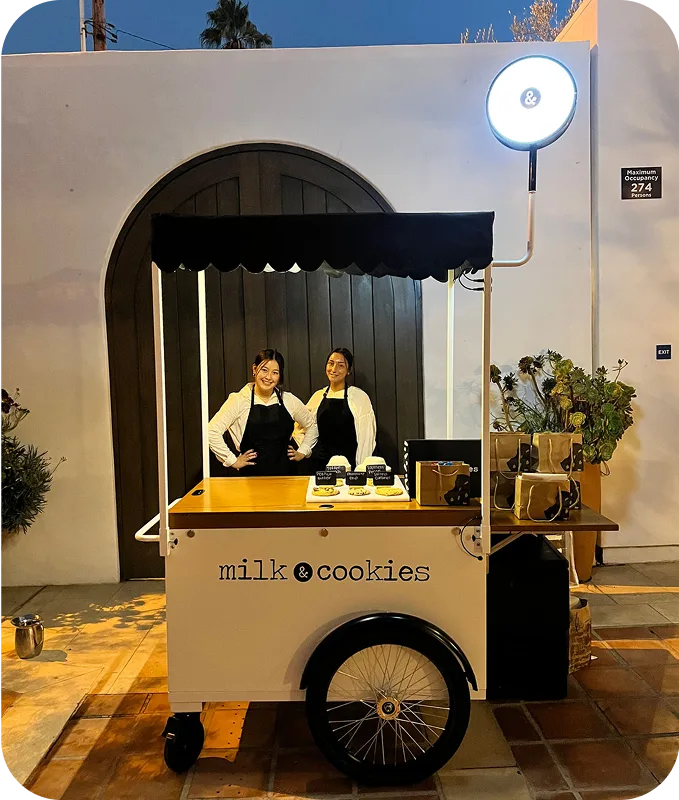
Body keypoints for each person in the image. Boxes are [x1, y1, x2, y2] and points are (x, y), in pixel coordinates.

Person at [208, 349, 318, 476]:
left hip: (287, 477)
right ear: (255, 369)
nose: (268, 377)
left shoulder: (288, 400)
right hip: (251, 478)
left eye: (275, 373)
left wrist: (303, 451)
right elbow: (212, 431)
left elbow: (312, 425)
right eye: (264, 370)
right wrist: (232, 460)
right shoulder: (239, 400)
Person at [296, 348, 376, 472]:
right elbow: (301, 428)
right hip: (320, 466)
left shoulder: (359, 397)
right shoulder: (318, 396)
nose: (334, 369)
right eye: (331, 363)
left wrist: (361, 469)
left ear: (348, 371)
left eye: (341, 365)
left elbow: (366, 438)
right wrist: (306, 451)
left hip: (350, 465)